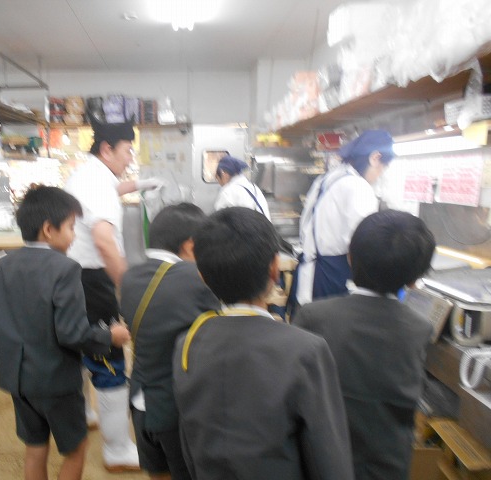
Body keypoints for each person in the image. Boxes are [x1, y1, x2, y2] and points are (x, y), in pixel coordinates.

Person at [172, 207, 354, 480]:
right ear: (274, 269)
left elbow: (188, 439)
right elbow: (328, 457)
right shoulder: (305, 350)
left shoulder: (187, 343)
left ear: (202, 276)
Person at [0, 186, 131, 480]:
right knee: (76, 449)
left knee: (35, 448)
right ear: (49, 230)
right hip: (55, 380)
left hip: (18, 379)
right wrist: (110, 337)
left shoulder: (4, 265)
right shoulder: (66, 269)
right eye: (71, 227)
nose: (74, 235)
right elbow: (73, 334)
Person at [292, 210, 436, 480]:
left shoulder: (313, 316)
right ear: (415, 279)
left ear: (350, 257)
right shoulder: (419, 329)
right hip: (387, 465)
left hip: (321, 461)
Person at [64, 117, 160, 472]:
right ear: (107, 149)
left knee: (79, 349)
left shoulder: (88, 175)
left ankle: (86, 414)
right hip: (91, 280)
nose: (130, 158)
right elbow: (105, 242)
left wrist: (140, 184)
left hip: (72, 277)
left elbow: (112, 190)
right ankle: (117, 449)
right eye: (127, 151)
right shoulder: (96, 182)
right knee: (109, 355)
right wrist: (129, 289)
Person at [120, 203, 220, 480]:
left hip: (140, 402)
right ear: (190, 245)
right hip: (175, 408)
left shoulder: (130, 275)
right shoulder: (193, 278)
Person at [291, 129, 395, 309]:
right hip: (332, 278)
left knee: (309, 322)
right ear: (375, 158)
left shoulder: (329, 177)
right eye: (383, 168)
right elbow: (363, 244)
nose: (380, 175)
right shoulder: (358, 187)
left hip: (311, 274)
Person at [213, 155, 271, 221]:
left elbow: (218, 220)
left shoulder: (228, 191)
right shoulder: (254, 188)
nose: (220, 184)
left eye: (218, 179)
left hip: (247, 227)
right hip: (265, 226)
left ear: (223, 173)